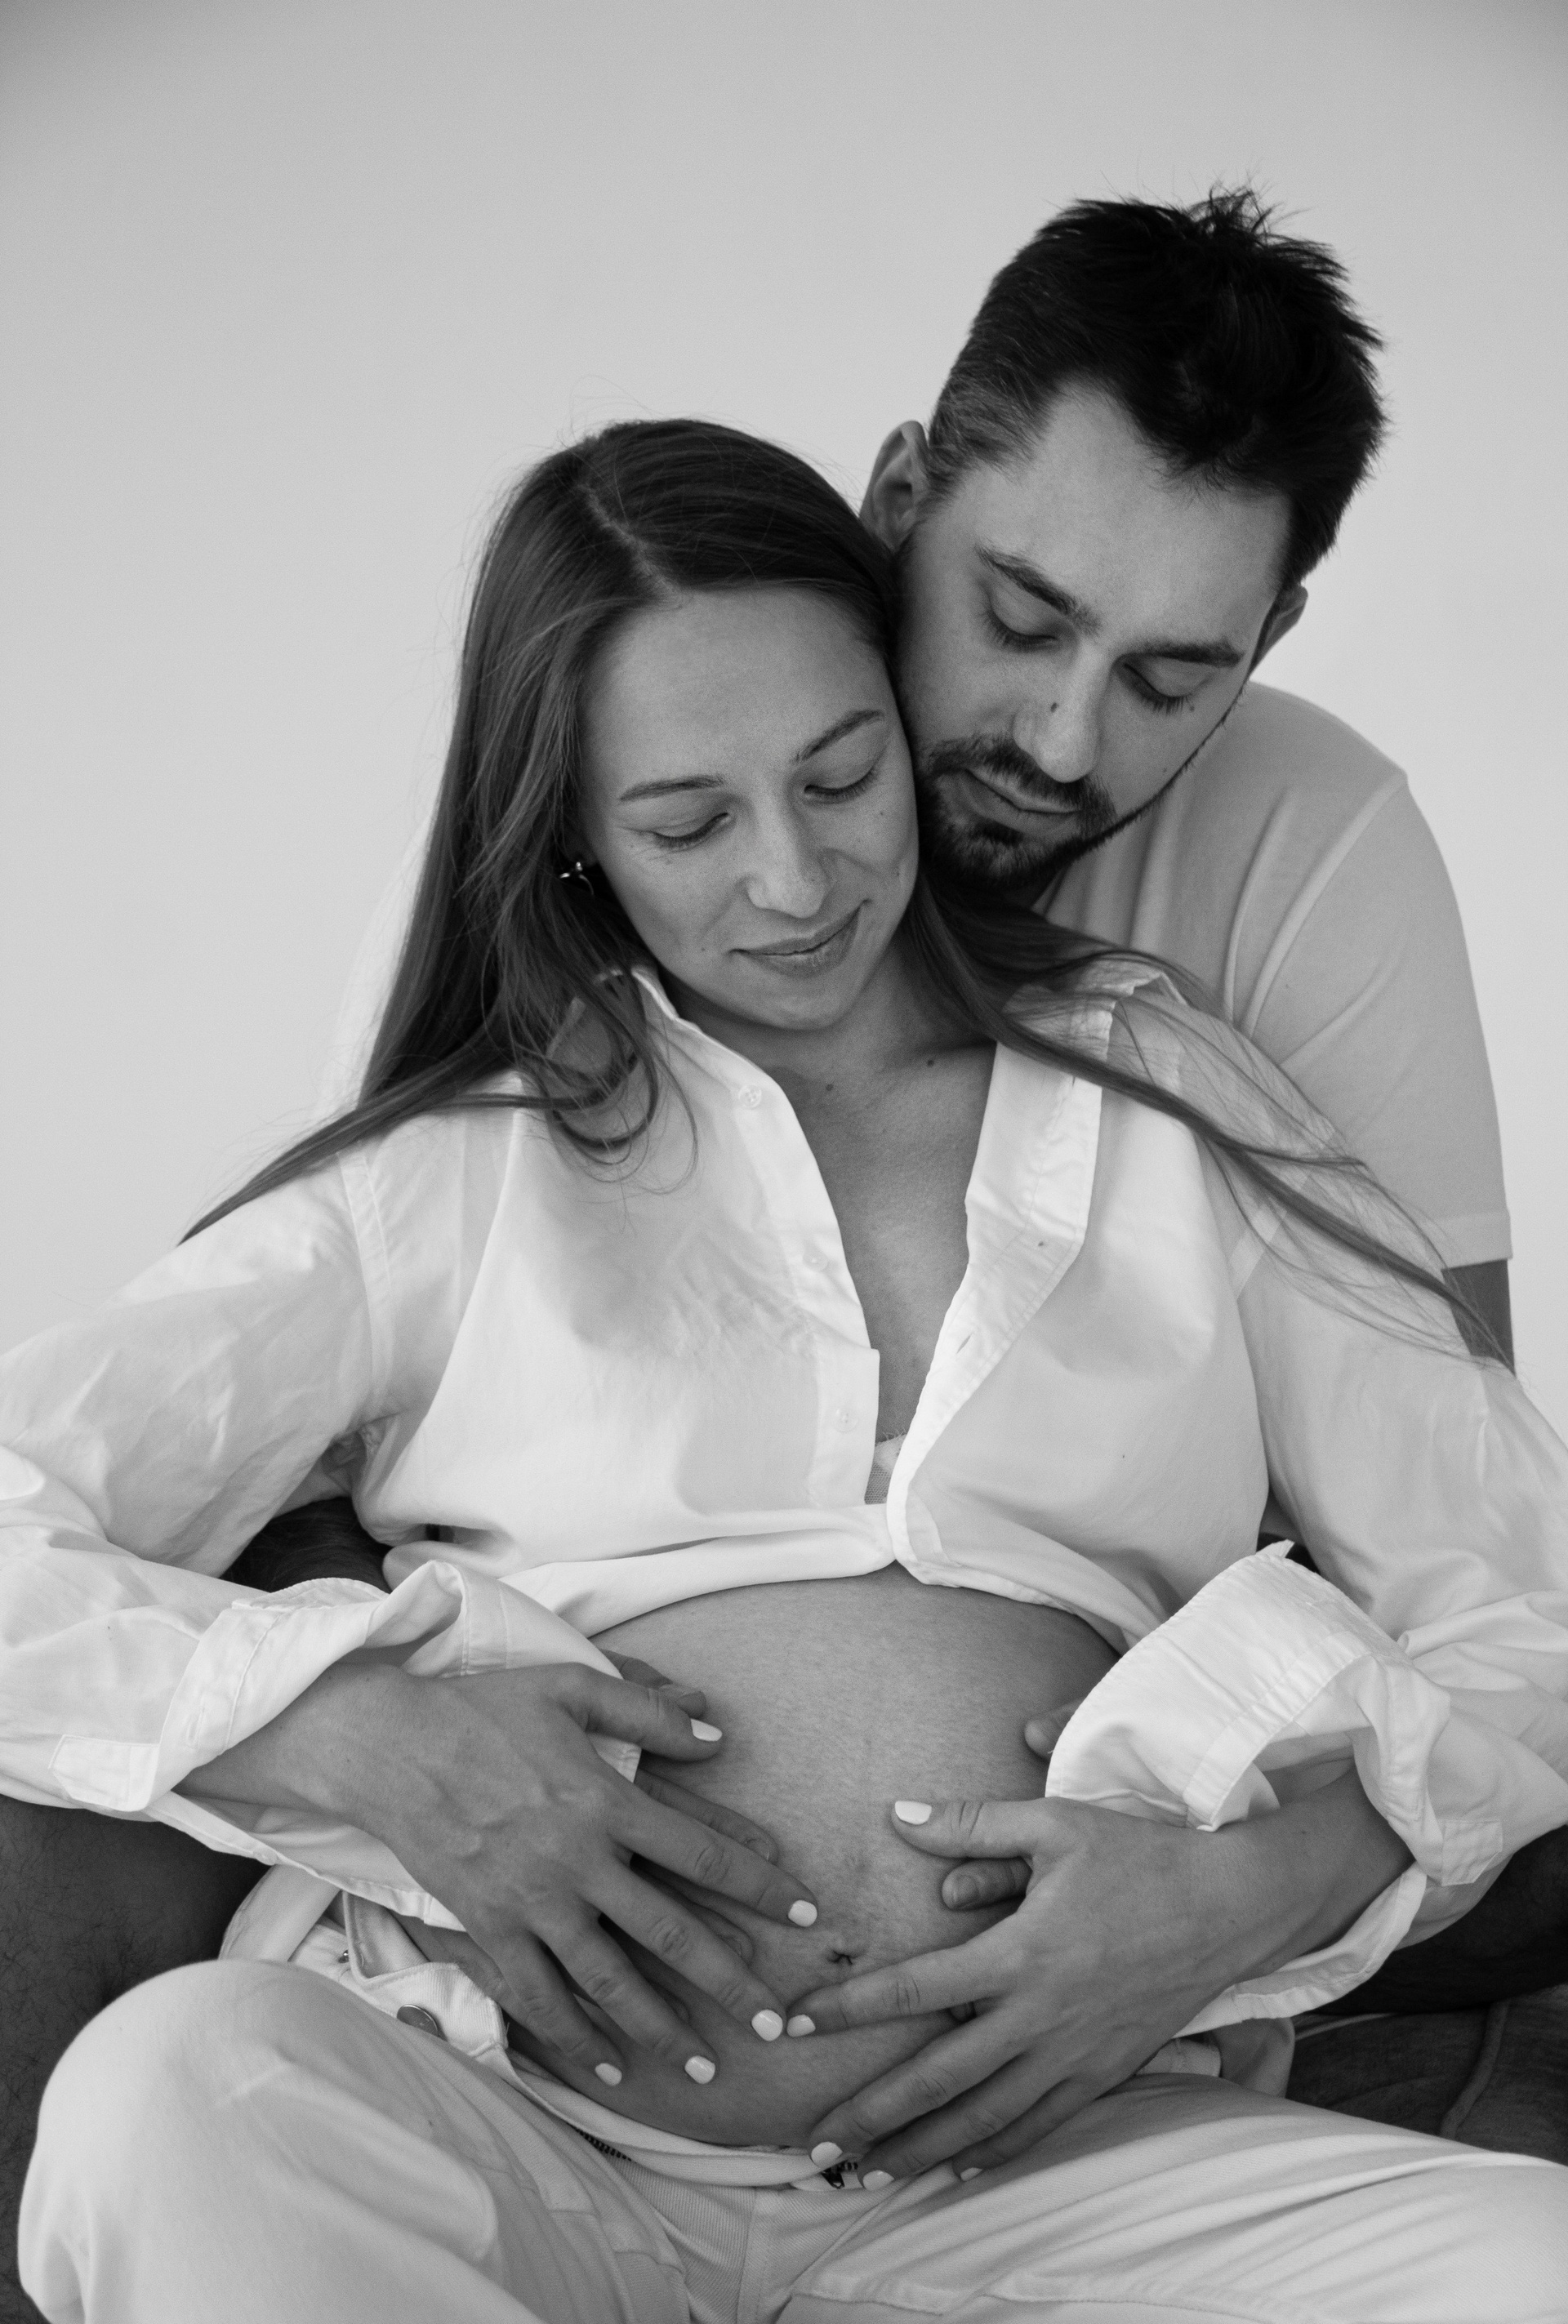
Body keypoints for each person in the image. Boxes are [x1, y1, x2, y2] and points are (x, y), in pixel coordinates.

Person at [7, 420, 1568, 2322]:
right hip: (516, 2138)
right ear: (573, 829)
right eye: (688, 823)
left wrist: (1270, 1881)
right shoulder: (455, 1167)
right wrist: (346, 1732)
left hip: (1066, 2174)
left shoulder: (1175, 1105)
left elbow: (1528, 1605)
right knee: (163, 2105)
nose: (797, 878)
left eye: (844, 776)